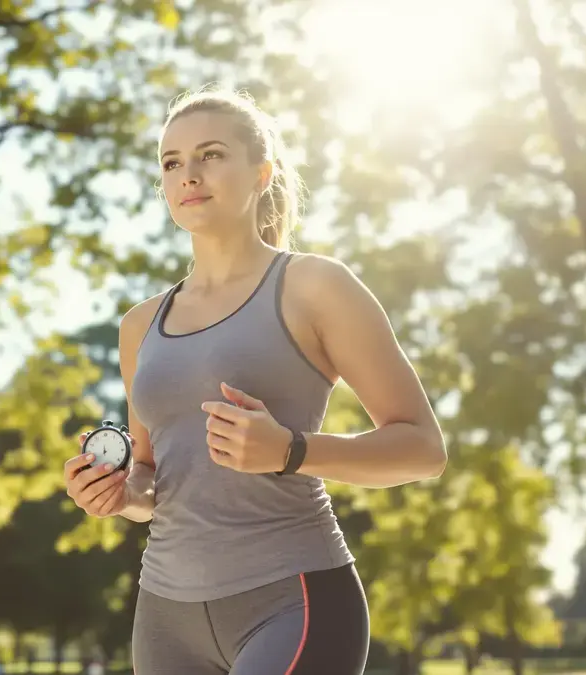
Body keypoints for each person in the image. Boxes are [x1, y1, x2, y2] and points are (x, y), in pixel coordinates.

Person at [63, 85, 448, 675]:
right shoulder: (139, 326)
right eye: (172, 163)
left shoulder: (315, 287)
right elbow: (150, 475)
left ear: (262, 172)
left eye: (211, 155)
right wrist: (118, 495)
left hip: (294, 600)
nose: (189, 175)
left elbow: (424, 449)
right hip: (165, 616)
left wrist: (292, 451)